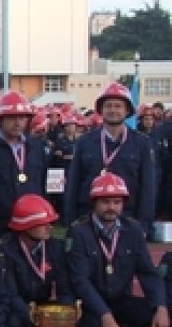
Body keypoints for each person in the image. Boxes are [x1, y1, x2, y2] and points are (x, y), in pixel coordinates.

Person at [65, 173, 169, 327]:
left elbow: (148, 272)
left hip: (119, 298)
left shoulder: (133, 230)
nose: (111, 207)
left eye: (117, 202)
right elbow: (80, 281)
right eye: (105, 202)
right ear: (94, 203)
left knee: (151, 315)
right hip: (88, 302)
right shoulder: (78, 232)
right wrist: (105, 314)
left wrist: (161, 306)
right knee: (93, 325)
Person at [64, 82, 158, 231]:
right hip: (88, 219)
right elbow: (73, 184)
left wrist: (143, 225)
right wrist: (70, 222)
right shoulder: (84, 142)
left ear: (127, 110)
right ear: (101, 110)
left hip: (127, 220)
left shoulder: (142, 143)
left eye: (118, 106)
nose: (113, 110)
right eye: (108, 106)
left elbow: (148, 188)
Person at [0, 193, 74, 327]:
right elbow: (9, 293)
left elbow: (64, 285)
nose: (50, 228)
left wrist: (67, 313)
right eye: (43, 224)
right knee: (14, 324)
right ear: (26, 226)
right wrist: (33, 316)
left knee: (66, 316)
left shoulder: (55, 247)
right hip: (15, 308)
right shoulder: (4, 251)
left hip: (42, 305)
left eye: (50, 223)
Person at [0, 90, 48, 235]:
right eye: (12, 117)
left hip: (32, 223)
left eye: (22, 117)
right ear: (1, 119)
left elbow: (43, 184)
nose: (18, 122)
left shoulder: (37, 147)